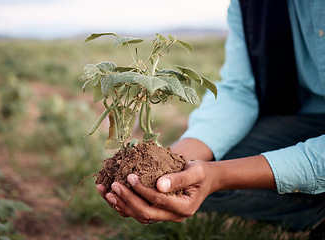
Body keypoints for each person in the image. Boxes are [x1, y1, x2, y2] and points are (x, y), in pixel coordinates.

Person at [97, 0, 325, 238]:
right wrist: (175, 164)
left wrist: (219, 176)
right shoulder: (250, 5)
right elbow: (240, 90)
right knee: (198, 180)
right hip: (304, 120)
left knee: (219, 177)